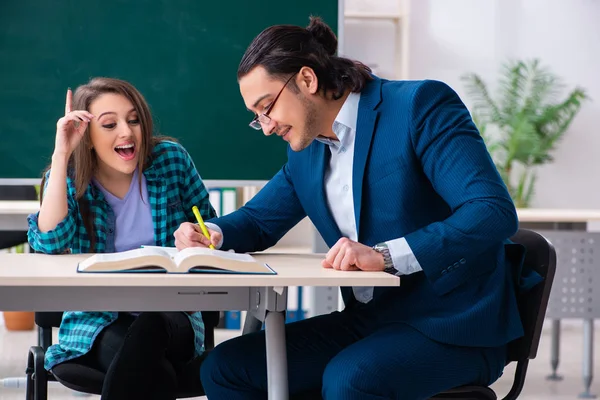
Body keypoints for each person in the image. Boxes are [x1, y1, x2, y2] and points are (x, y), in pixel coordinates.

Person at [175, 16, 533, 400]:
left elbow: (491, 210)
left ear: (307, 80)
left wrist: (385, 255)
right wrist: (215, 233)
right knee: (226, 369)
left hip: (454, 325)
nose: (265, 126)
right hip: (371, 321)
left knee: (351, 380)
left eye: (268, 108)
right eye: (257, 116)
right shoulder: (307, 151)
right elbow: (260, 219)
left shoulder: (419, 106)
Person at [27, 77, 216, 400]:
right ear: (87, 137)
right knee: (157, 372)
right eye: (110, 125)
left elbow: (213, 228)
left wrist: (201, 235)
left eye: (133, 120)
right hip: (99, 321)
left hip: (174, 316)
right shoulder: (71, 176)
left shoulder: (171, 161)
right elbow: (51, 243)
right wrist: (62, 154)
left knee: (152, 327)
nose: (126, 133)